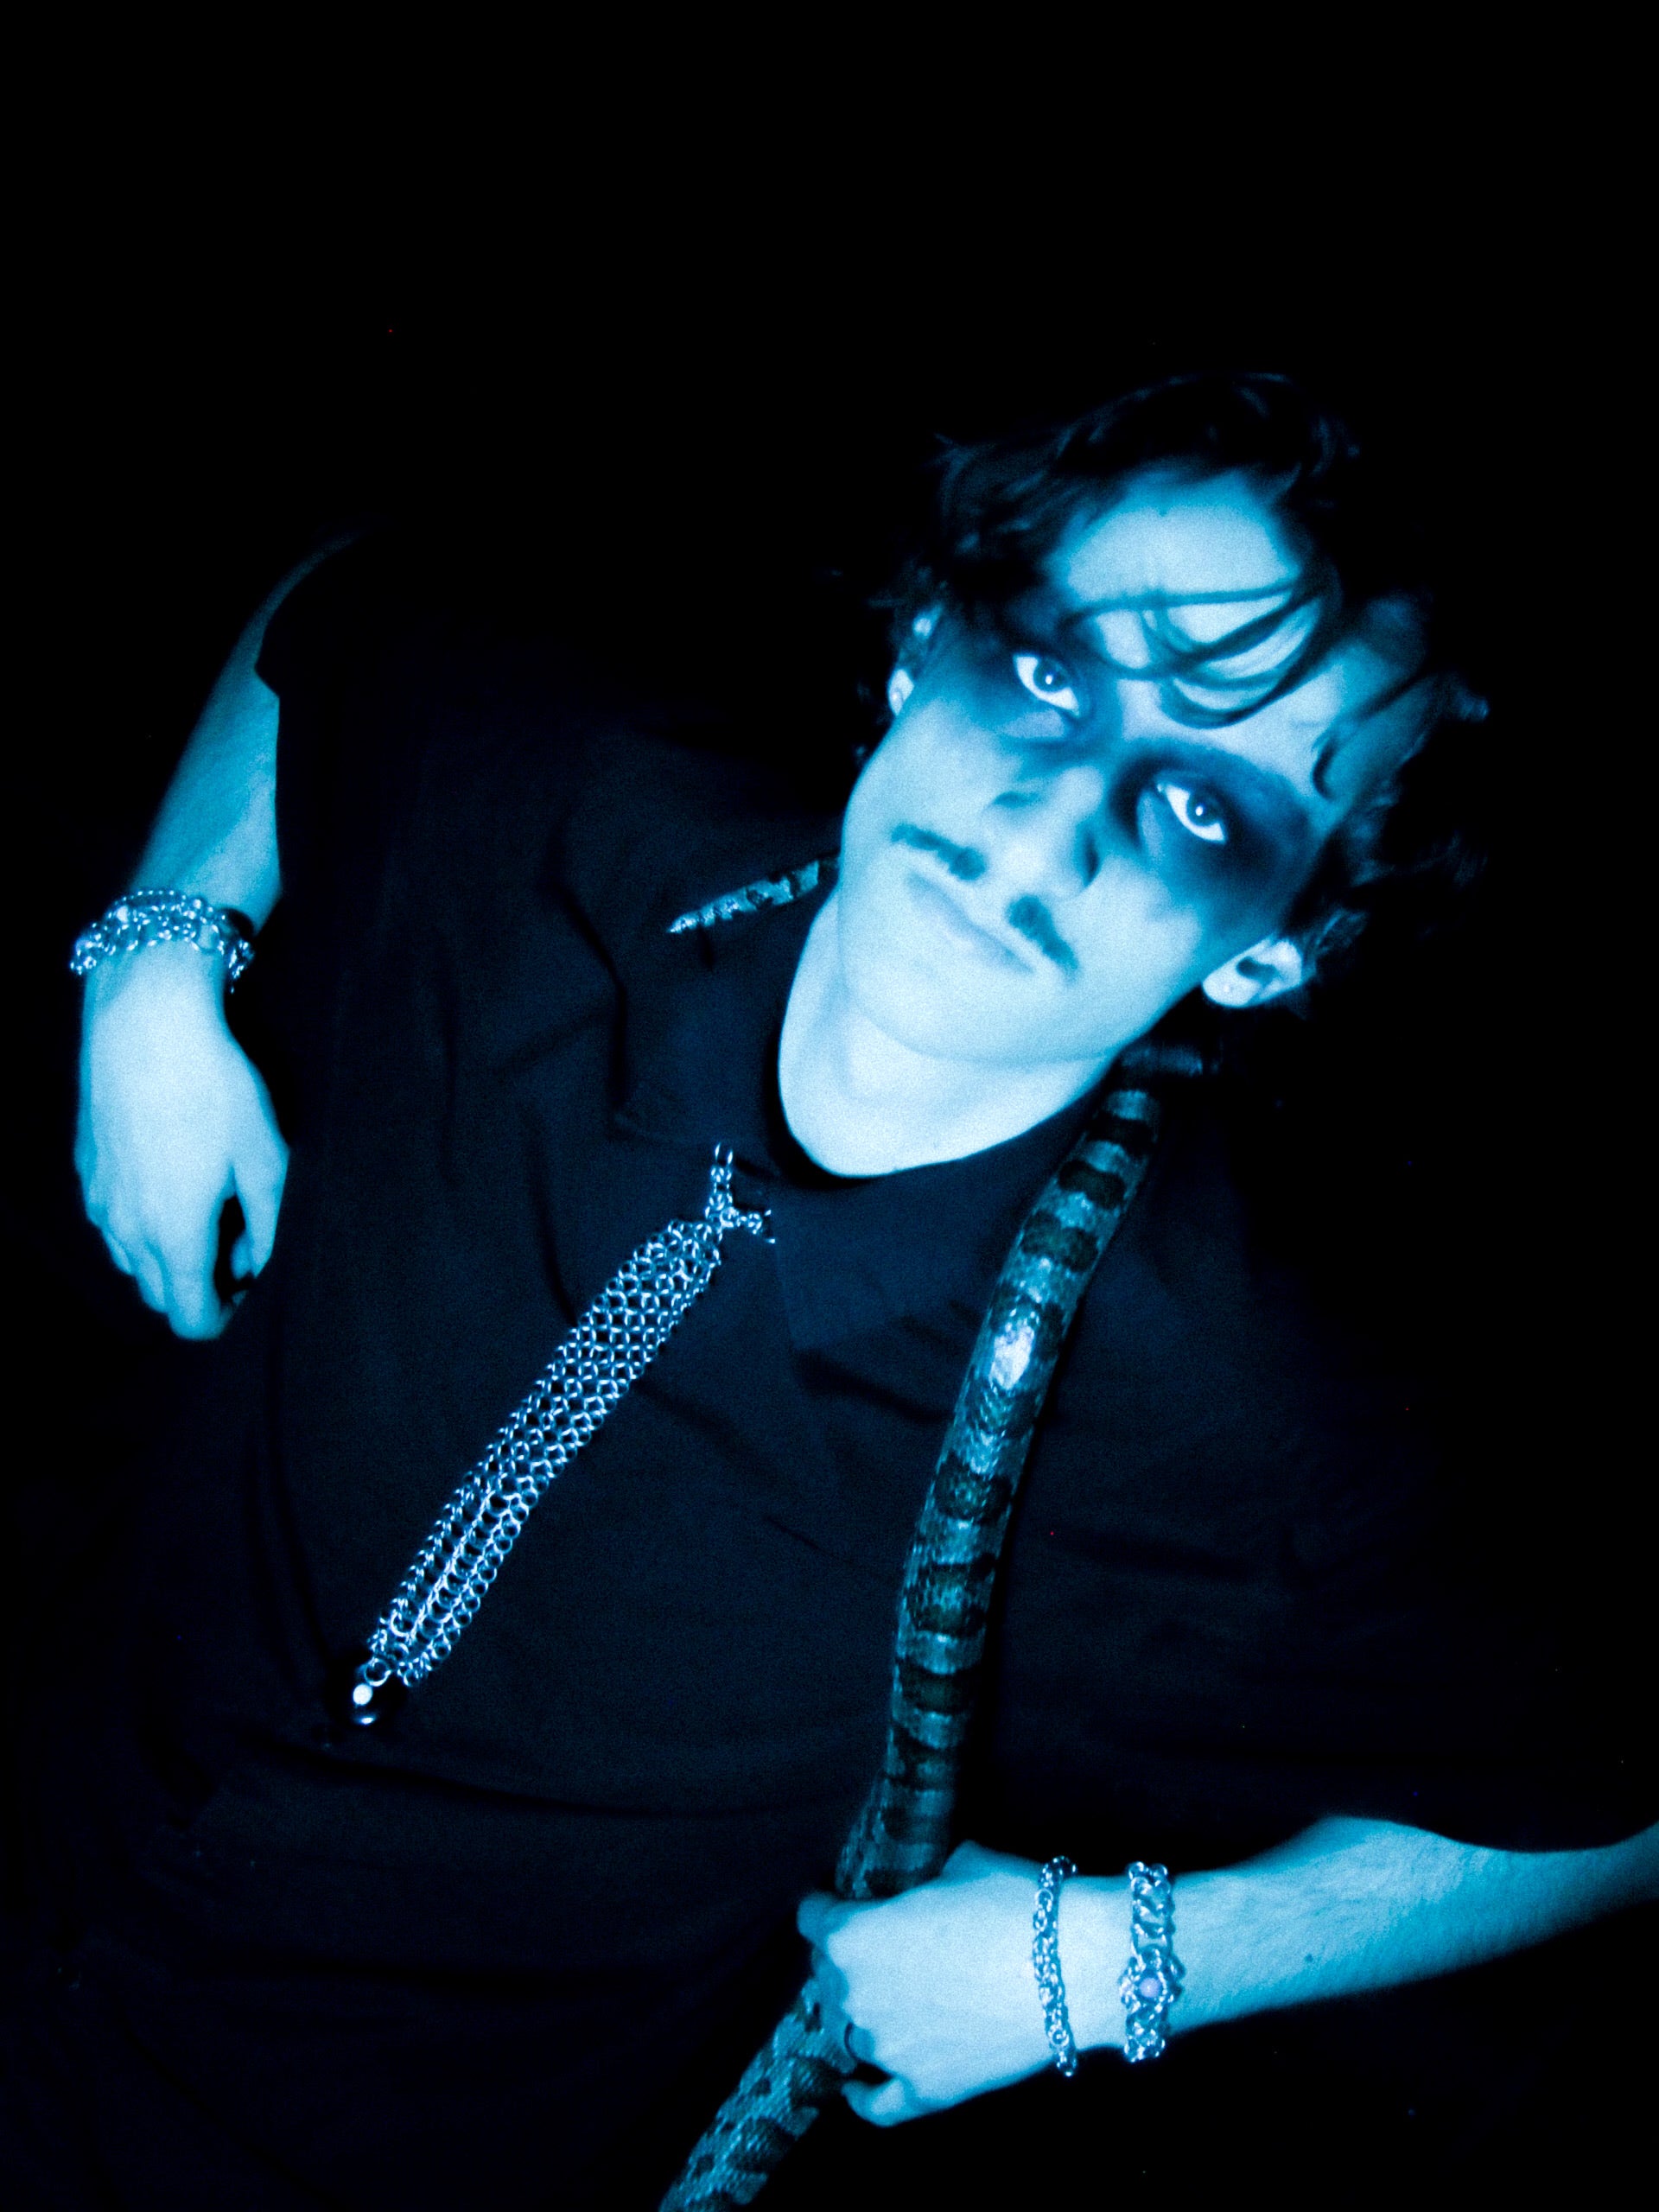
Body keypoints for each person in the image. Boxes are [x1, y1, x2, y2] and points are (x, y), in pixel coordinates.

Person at [6, 372, 1653, 2205]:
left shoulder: (1238, 1393)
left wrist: (1118, 1967)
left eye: (1199, 806)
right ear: (925, 641)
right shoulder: (583, 795)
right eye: (1047, 679)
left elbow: (1618, 1803)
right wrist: (158, 958)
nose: (1041, 831)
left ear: (1278, 949)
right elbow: (346, 603)